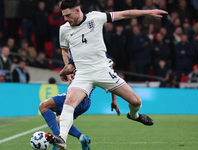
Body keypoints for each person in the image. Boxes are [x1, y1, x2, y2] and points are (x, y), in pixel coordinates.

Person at [45, 1, 167, 149]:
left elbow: (124, 14)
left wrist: (147, 13)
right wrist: (68, 68)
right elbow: (65, 50)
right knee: (68, 103)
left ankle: (133, 116)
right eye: (63, 16)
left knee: (136, 102)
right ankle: (62, 139)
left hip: (103, 71)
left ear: (77, 10)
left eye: (68, 15)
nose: (65, 19)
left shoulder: (95, 18)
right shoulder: (64, 29)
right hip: (83, 74)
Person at [44, 55, 120, 150]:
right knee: (60, 121)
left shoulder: (95, 59)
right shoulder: (85, 56)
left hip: (77, 97)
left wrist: (114, 100)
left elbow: (113, 79)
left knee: (44, 106)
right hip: (83, 101)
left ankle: (57, 141)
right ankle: (82, 138)